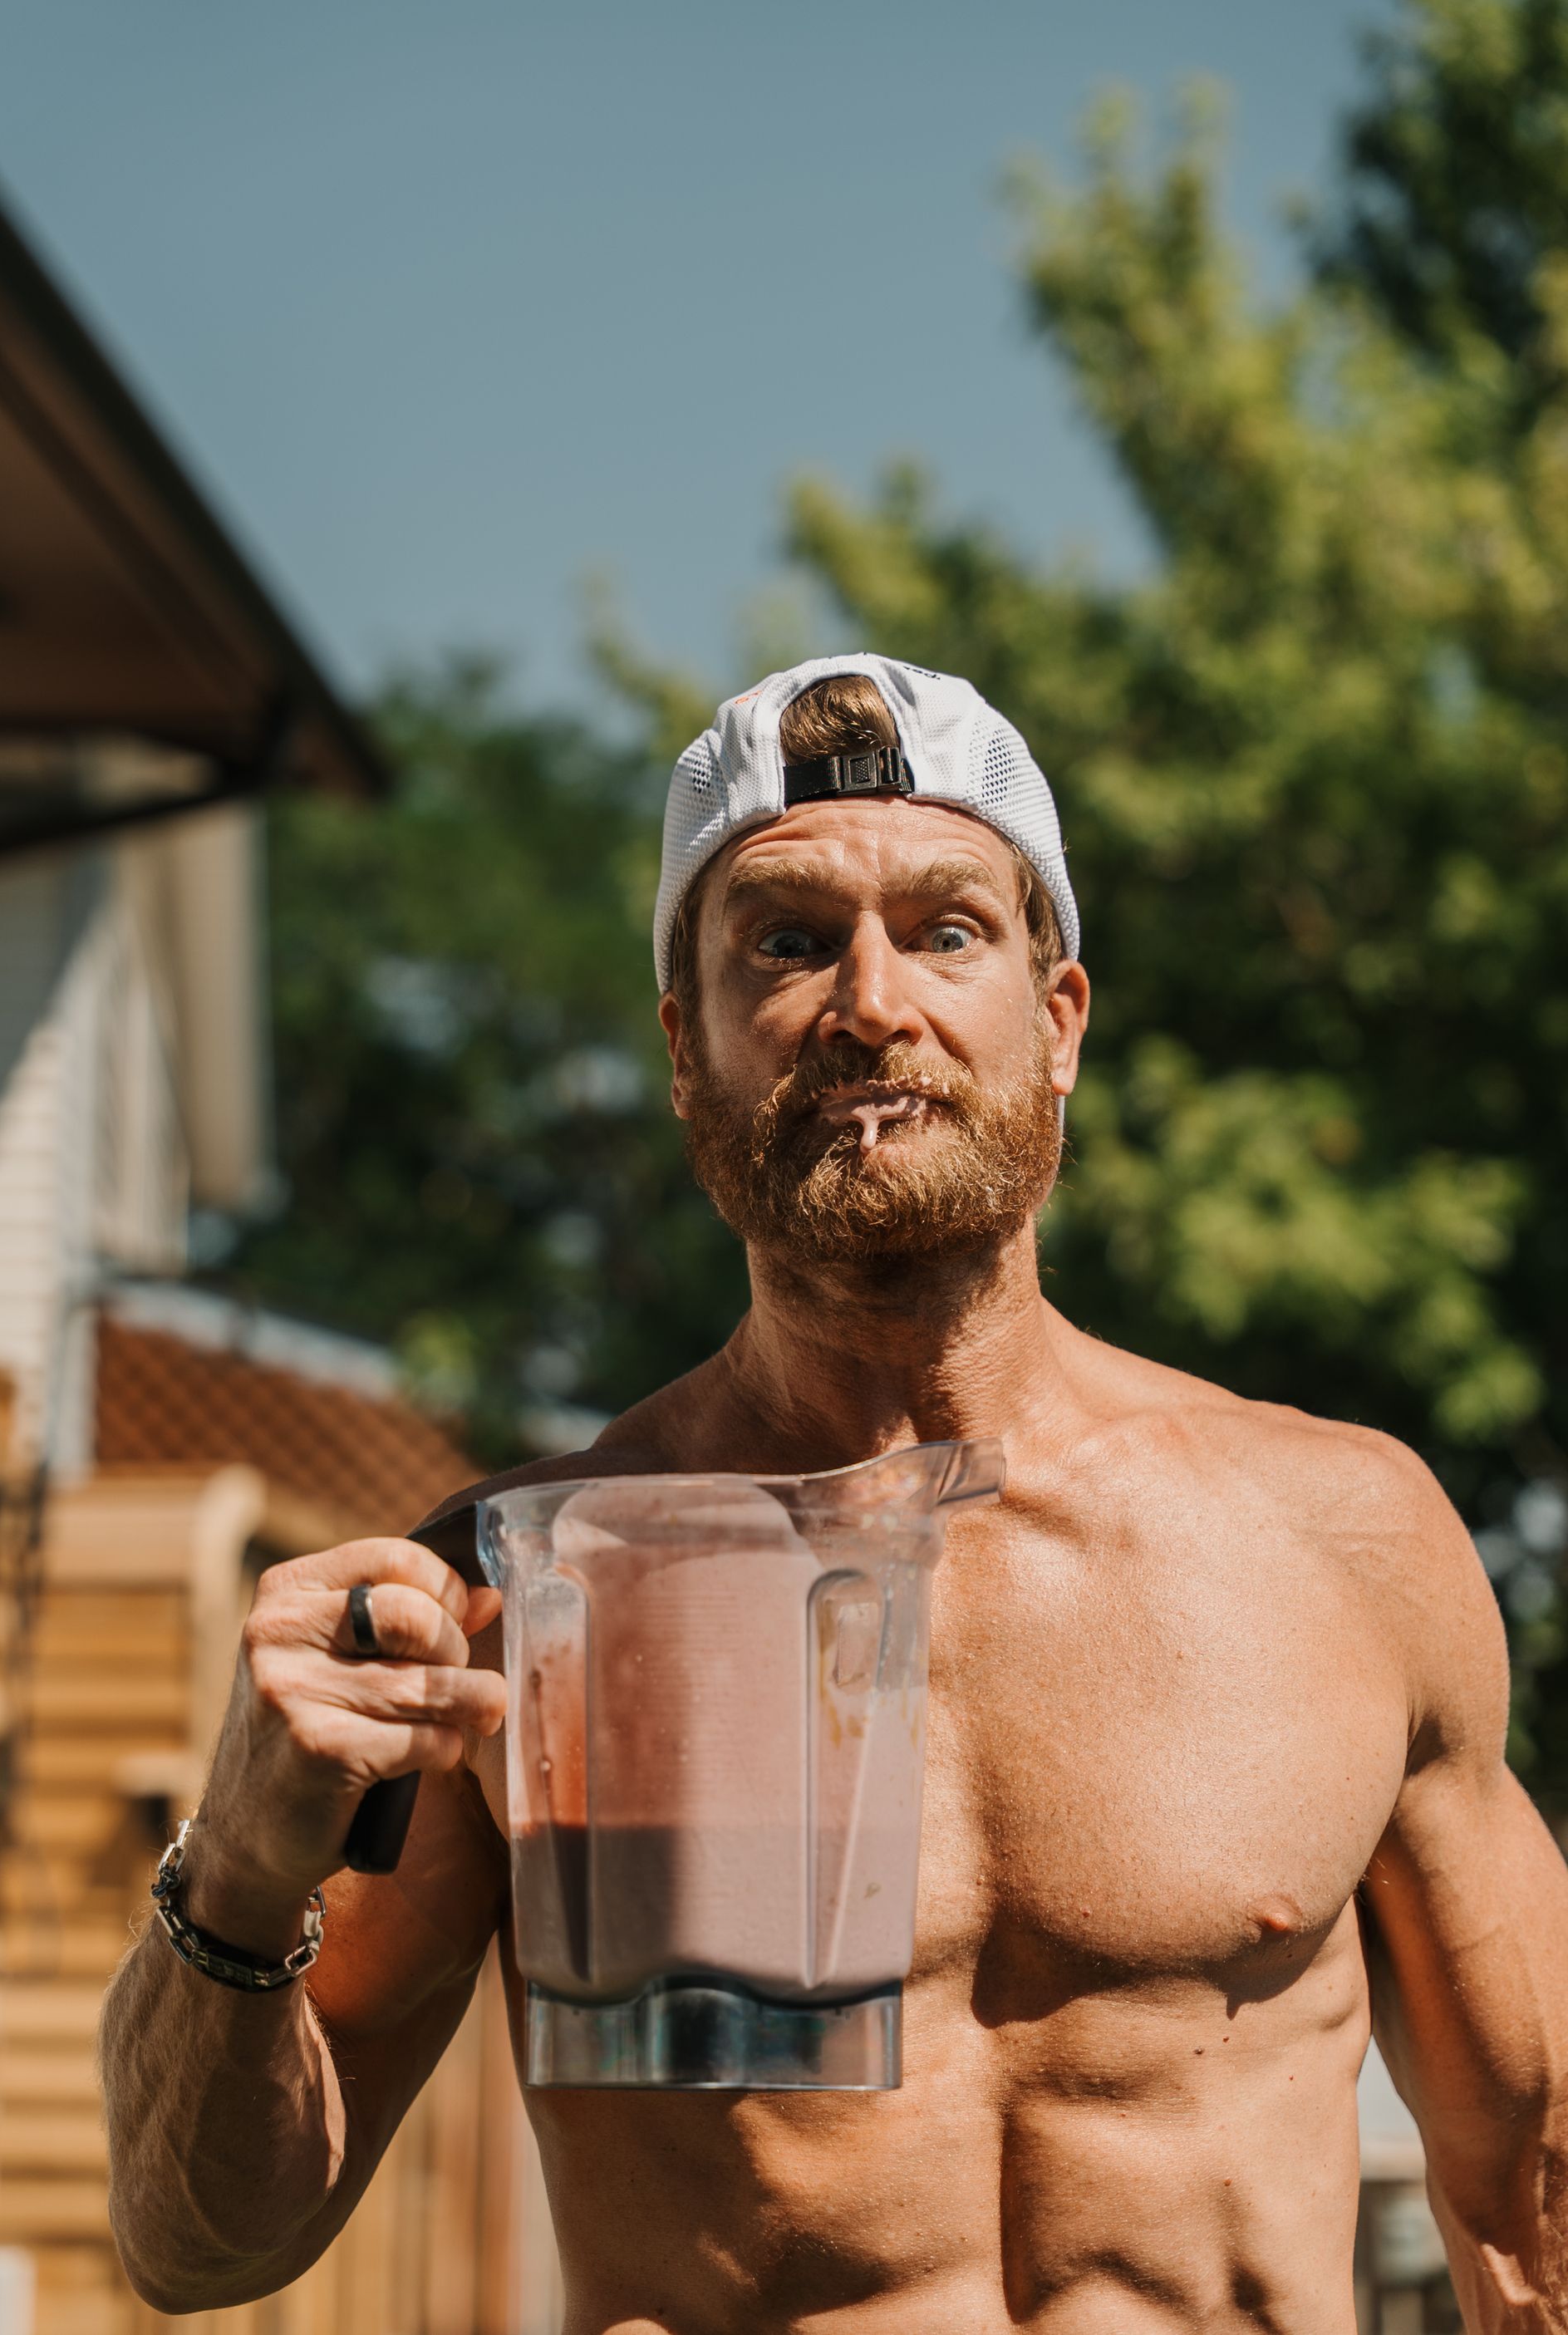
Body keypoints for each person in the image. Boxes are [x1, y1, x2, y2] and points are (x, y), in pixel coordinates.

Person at [100, 656, 1568, 2333]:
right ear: (685, 1049)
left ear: (1061, 1019)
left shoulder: (1342, 1543)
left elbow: (1535, 2188)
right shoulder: (532, 1592)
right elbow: (195, 2241)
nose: (871, 1000)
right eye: (785, 942)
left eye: (946, 929)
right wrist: (239, 1863)